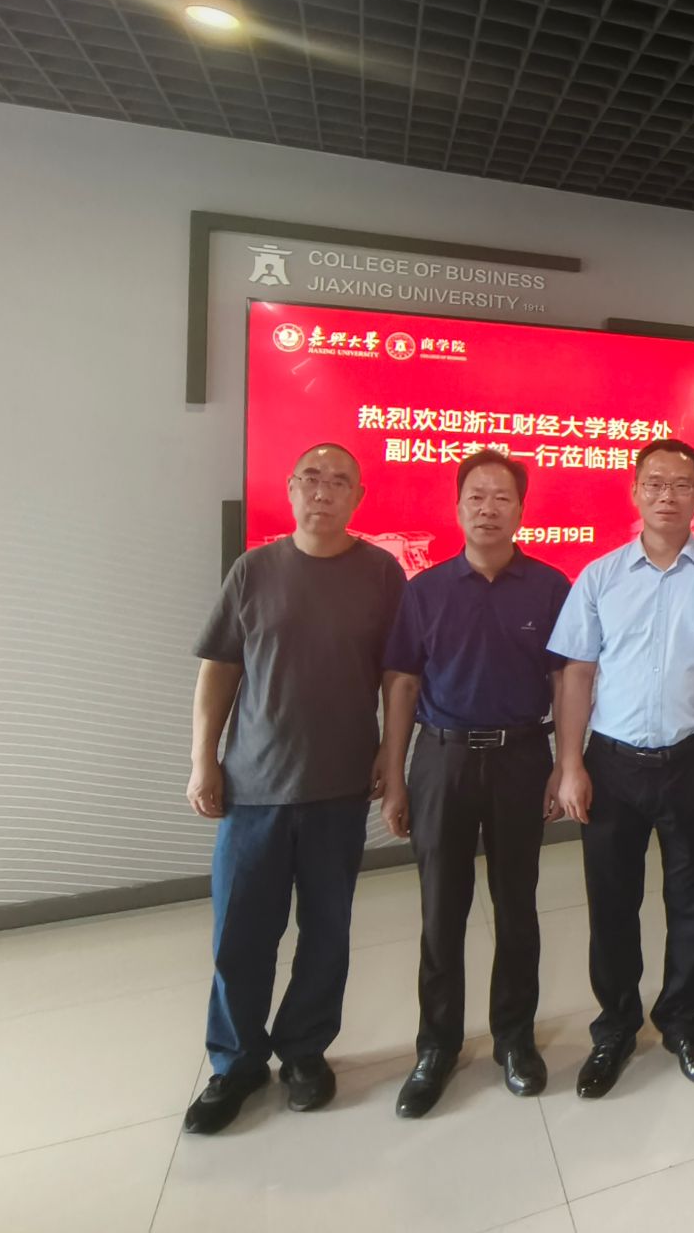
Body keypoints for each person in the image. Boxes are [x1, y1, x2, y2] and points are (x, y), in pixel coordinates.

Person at [182, 443, 405, 1135]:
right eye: (312, 478)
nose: (324, 491)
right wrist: (203, 760)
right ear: (290, 487)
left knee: (326, 933)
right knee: (241, 935)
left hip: (339, 788)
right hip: (253, 789)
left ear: (358, 497)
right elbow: (219, 670)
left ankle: (305, 1050)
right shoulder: (254, 570)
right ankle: (236, 1062)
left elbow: (397, 675)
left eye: (340, 481)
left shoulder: (382, 572)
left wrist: (390, 755)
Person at [378, 449, 571, 1119]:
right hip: (443, 760)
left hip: (522, 758)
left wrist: (564, 764)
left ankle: (515, 1039)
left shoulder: (550, 588)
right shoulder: (425, 590)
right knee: (441, 910)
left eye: (502, 498)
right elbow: (402, 684)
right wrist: (394, 776)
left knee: (517, 906)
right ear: (457, 507)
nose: (488, 509)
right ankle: (437, 1046)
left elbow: (565, 682)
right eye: (476, 497)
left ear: (521, 510)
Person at [547, 438, 694, 1098]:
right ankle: (616, 1027)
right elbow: (577, 675)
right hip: (612, 765)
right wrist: (569, 765)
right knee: (611, 904)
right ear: (634, 492)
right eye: (654, 483)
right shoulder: (600, 576)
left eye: (681, 485)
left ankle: (682, 1020)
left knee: (693, 902)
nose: (667, 495)